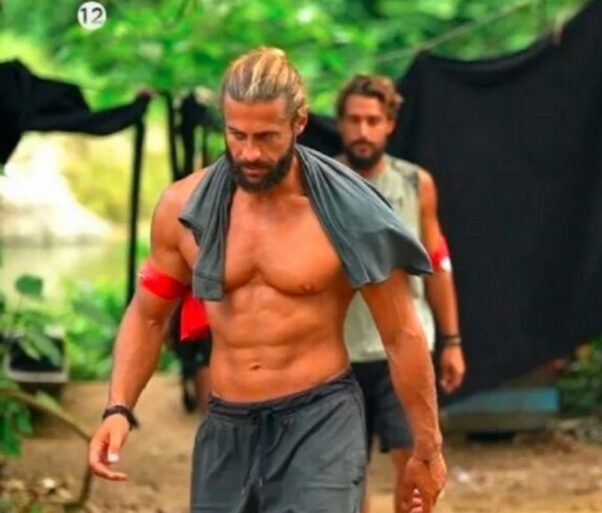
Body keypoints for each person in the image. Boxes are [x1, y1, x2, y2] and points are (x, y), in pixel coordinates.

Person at [88, 47, 447, 513]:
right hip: (226, 424)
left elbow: (401, 333)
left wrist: (427, 447)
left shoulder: (349, 211)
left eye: (266, 136)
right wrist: (118, 407)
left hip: (320, 419)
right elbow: (148, 315)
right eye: (236, 134)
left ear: (299, 123)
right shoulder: (182, 208)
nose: (249, 153)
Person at [335, 74, 466, 513]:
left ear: (389, 124)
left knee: (414, 464)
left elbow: (438, 262)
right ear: (340, 123)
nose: (363, 131)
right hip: (338, 352)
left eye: (373, 120)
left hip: (404, 347)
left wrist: (452, 340)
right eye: (354, 120)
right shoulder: (321, 184)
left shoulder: (415, 184)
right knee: (345, 471)